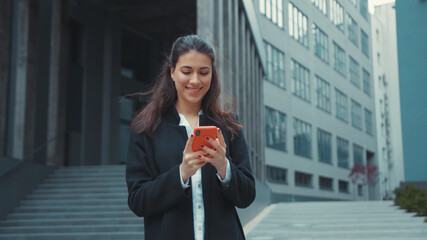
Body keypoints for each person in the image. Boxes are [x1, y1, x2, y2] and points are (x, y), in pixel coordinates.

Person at [126, 35, 256, 240]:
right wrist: (182, 173)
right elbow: (138, 201)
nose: (195, 80)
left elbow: (247, 196)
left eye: (204, 72)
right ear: (172, 72)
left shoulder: (229, 126)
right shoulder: (146, 129)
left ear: (212, 75)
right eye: (187, 71)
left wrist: (224, 166)